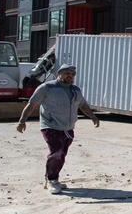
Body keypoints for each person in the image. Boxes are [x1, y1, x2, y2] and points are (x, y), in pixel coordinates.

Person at [16, 64, 100, 194]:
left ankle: (50, 178)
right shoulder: (47, 88)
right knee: (57, 152)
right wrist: (22, 120)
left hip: (68, 128)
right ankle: (52, 180)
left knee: (61, 155)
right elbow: (32, 104)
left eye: (72, 74)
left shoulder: (75, 90)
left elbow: (83, 105)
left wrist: (93, 116)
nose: (70, 76)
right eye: (67, 73)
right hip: (50, 126)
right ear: (59, 73)